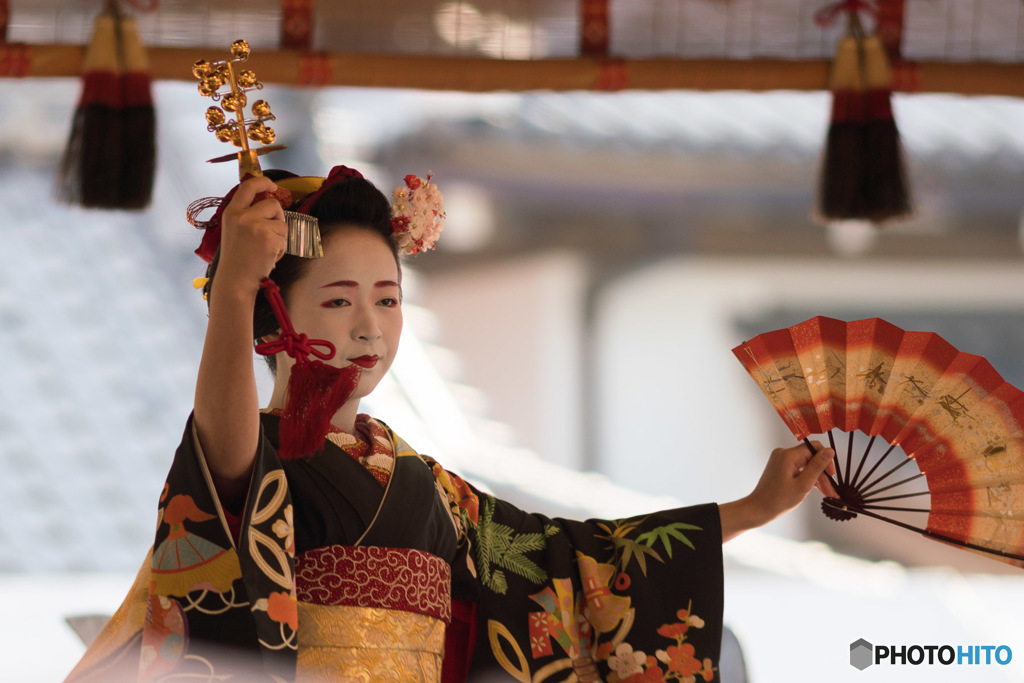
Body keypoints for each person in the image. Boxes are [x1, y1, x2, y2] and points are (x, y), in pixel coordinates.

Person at [66, 166, 836, 683]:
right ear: (277, 317)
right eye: (338, 300)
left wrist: (750, 510)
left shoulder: (423, 481)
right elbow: (221, 457)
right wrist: (234, 289)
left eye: (388, 299)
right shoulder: (256, 455)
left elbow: (567, 561)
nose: (370, 326)